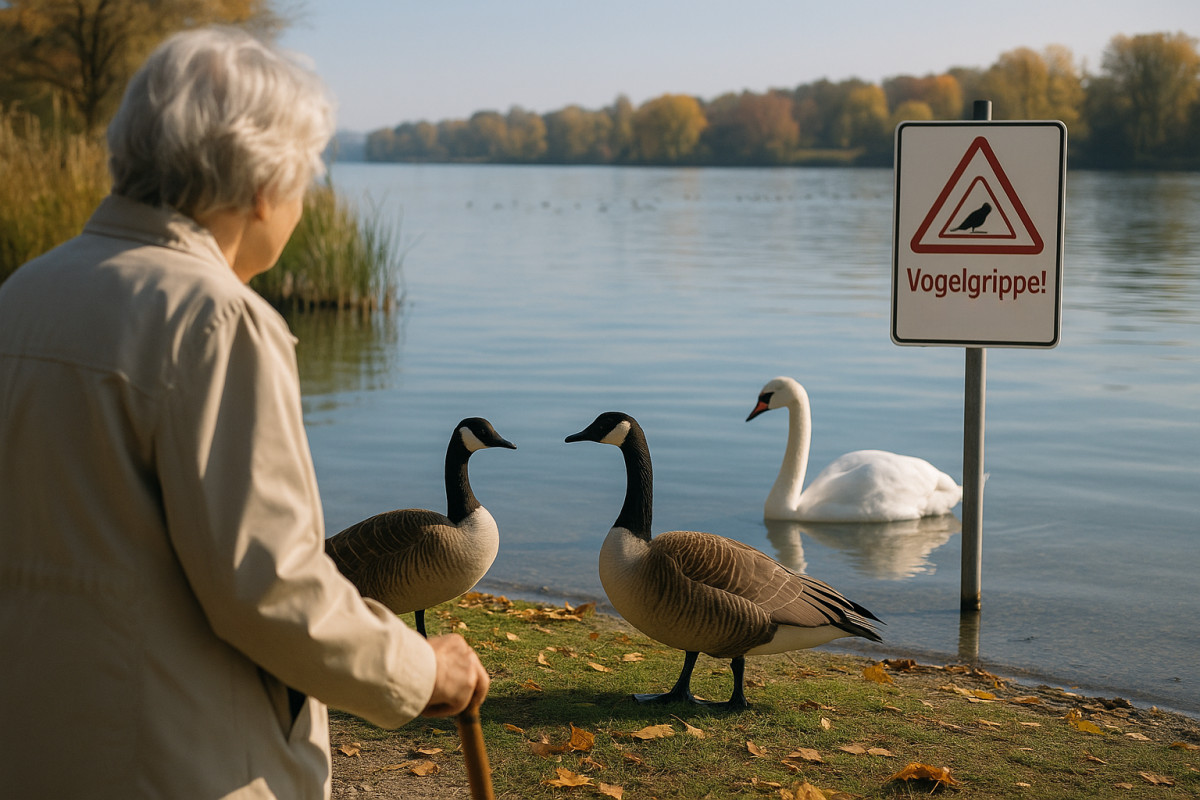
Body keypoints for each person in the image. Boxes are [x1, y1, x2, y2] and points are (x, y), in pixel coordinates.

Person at [0, 27, 488, 799]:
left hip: (32, 749)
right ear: (263, 185)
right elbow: (269, 587)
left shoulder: (22, 295)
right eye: (305, 179)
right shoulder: (216, 320)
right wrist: (422, 670)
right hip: (175, 766)